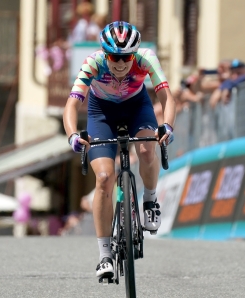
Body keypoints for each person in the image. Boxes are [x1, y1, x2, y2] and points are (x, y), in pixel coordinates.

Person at [62, 21, 176, 280]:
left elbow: (167, 97)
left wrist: (167, 126)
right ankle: (104, 256)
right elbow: (71, 104)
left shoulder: (146, 58)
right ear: (105, 53)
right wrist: (72, 135)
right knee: (103, 178)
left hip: (137, 108)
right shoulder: (93, 63)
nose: (121, 63)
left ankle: (149, 201)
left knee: (147, 149)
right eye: (114, 57)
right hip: (101, 113)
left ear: (134, 53)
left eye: (126, 57)